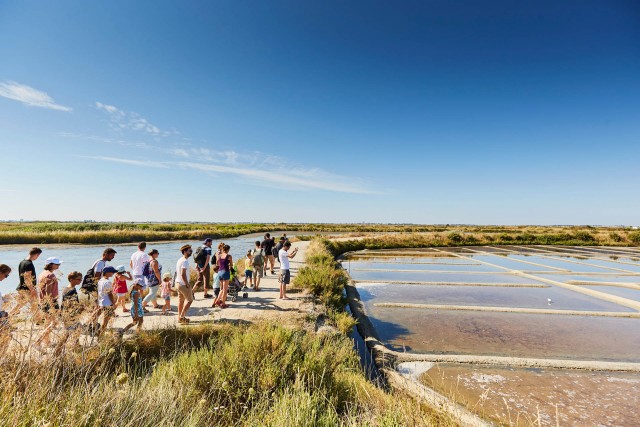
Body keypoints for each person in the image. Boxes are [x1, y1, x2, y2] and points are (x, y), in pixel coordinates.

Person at [12, 247, 41, 315]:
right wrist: (32, 290)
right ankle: (7, 317)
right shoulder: (29, 264)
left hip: (22, 287)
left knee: (20, 305)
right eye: (38, 256)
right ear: (36, 254)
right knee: (34, 304)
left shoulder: (22, 262)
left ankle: (7, 317)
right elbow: (27, 278)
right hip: (27, 289)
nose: (37, 257)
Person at [93, 265, 117, 336]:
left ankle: (95, 329)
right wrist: (113, 304)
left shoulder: (100, 281)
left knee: (97, 316)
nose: (113, 273)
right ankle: (101, 334)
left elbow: (99, 292)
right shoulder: (107, 282)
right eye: (112, 272)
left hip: (101, 302)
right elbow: (110, 294)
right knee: (105, 320)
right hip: (108, 303)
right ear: (107, 273)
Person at [175, 244, 194, 323]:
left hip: (178, 283)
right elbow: (183, 274)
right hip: (183, 284)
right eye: (190, 251)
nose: (191, 252)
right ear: (185, 252)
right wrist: (187, 284)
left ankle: (179, 317)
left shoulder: (180, 259)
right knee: (189, 300)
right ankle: (182, 317)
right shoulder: (185, 261)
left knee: (181, 301)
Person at [213, 244, 232, 309]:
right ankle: (223, 304)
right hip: (225, 272)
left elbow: (217, 263)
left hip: (219, 272)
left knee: (221, 289)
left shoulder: (219, 255)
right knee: (225, 290)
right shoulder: (229, 256)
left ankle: (218, 300)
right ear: (228, 250)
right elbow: (231, 265)